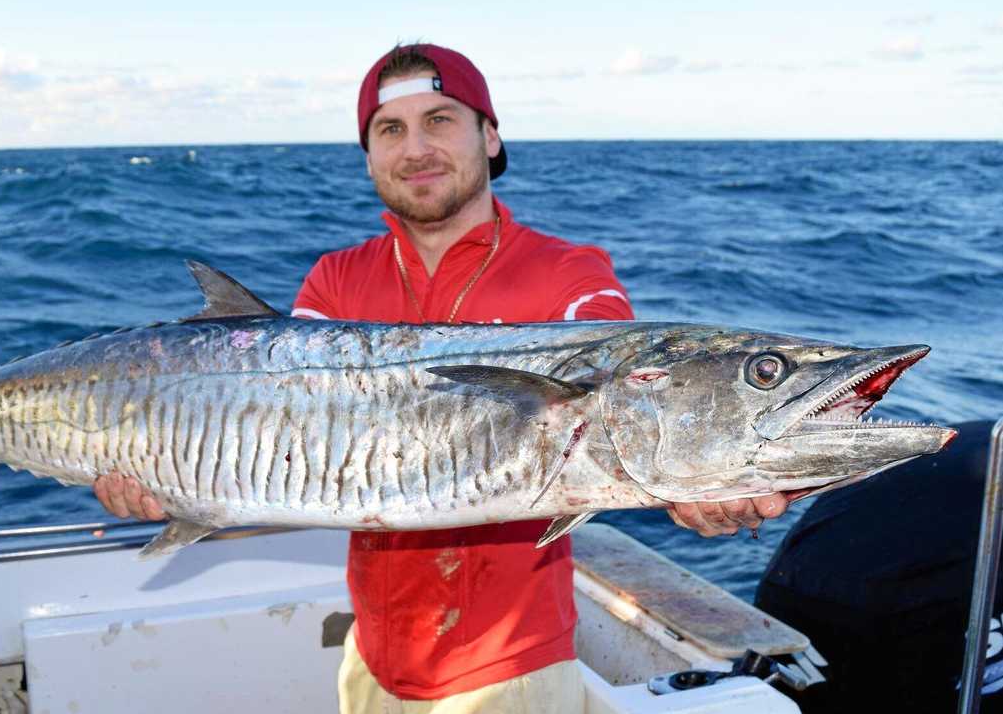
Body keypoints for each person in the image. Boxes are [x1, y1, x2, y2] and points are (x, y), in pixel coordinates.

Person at [94, 43, 791, 713]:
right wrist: (173, 476)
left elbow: (628, 390)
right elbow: (280, 431)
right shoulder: (336, 280)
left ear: (489, 136)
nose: (415, 148)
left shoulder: (568, 275)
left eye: (439, 120)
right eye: (389, 129)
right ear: (368, 155)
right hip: (372, 660)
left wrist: (701, 475)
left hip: (513, 669)